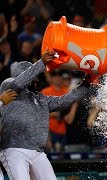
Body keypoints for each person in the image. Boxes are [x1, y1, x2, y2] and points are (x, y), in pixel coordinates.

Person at [0, 51, 90, 180]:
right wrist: (41, 63)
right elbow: (22, 81)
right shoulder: (8, 87)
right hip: (14, 149)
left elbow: (64, 101)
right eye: (34, 75)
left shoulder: (41, 98)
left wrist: (85, 84)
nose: (37, 79)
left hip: (38, 152)